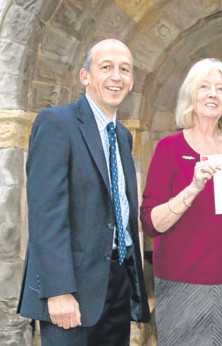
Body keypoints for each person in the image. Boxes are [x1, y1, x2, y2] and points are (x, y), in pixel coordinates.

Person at [18, 39, 150, 345]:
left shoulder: (122, 136)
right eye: (106, 67)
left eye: (124, 69)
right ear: (85, 76)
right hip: (72, 287)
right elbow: (46, 216)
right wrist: (58, 290)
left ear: (131, 81)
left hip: (118, 282)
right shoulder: (56, 124)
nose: (116, 76)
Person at [140, 58, 222, 345]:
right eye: (205, 87)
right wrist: (192, 188)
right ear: (190, 96)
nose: (212, 94)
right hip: (178, 282)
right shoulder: (169, 149)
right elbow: (150, 223)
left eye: (221, 89)